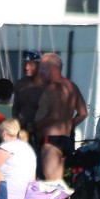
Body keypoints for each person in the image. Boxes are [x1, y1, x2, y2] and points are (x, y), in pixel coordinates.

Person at [33, 53, 88, 181]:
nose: (39, 72)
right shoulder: (71, 86)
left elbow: (53, 116)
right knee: (57, 181)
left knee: (50, 182)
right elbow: (83, 113)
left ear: (52, 69)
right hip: (66, 139)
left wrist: (33, 127)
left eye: (42, 68)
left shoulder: (51, 88)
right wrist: (70, 124)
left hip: (49, 139)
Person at [0, 118, 36, 199]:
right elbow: (33, 177)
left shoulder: (6, 147)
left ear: (4, 134)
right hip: (26, 198)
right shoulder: (28, 148)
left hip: (8, 198)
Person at [12, 50, 44, 131]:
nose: (26, 67)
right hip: (22, 131)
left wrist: (35, 125)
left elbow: (51, 113)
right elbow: (15, 108)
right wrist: (17, 122)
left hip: (41, 131)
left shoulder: (46, 86)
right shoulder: (20, 84)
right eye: (25, 63)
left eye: (31, 64)